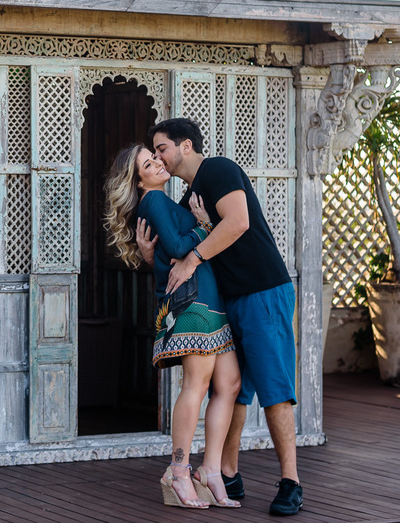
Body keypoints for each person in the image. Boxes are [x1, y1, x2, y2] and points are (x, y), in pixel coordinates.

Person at [137, 118, 304, 516]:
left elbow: (237, 222)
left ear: (186, 146)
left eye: (161, 148)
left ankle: (291, 481)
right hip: (228, 301)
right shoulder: (186, 199)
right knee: (231, 388)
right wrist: (150, 255)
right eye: (152, 153)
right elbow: (176, 250)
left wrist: (195, 256)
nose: (159, 156)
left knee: (274, 387)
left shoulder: (219, 170)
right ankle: (226, 472)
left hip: (262, 290)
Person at [104, 144, 242, 509]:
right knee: (196, 384)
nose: (157, 163)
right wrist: (206, 226)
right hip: (192, 304)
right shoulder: (152, 201)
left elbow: (167, 250)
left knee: (229, 383)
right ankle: (178, 471)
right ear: (139, 181)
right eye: (148, 164)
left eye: (155, 156)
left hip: (211, 301)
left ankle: (210, 471)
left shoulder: (167, 201)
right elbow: (180, 247)